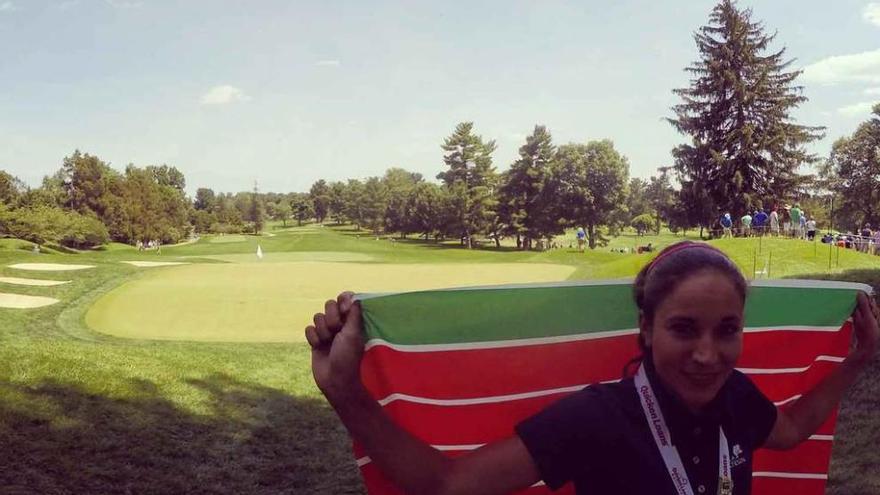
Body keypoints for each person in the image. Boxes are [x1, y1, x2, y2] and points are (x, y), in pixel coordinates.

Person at [306, 242, 879, 495]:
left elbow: (793, 429)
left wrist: (856, 360)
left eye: (727, 329)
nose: (708, 354)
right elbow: (447, 484)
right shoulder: (597, 416)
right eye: (684, 328)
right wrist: (347, 394)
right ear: (646, 331)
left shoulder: (738, 398)